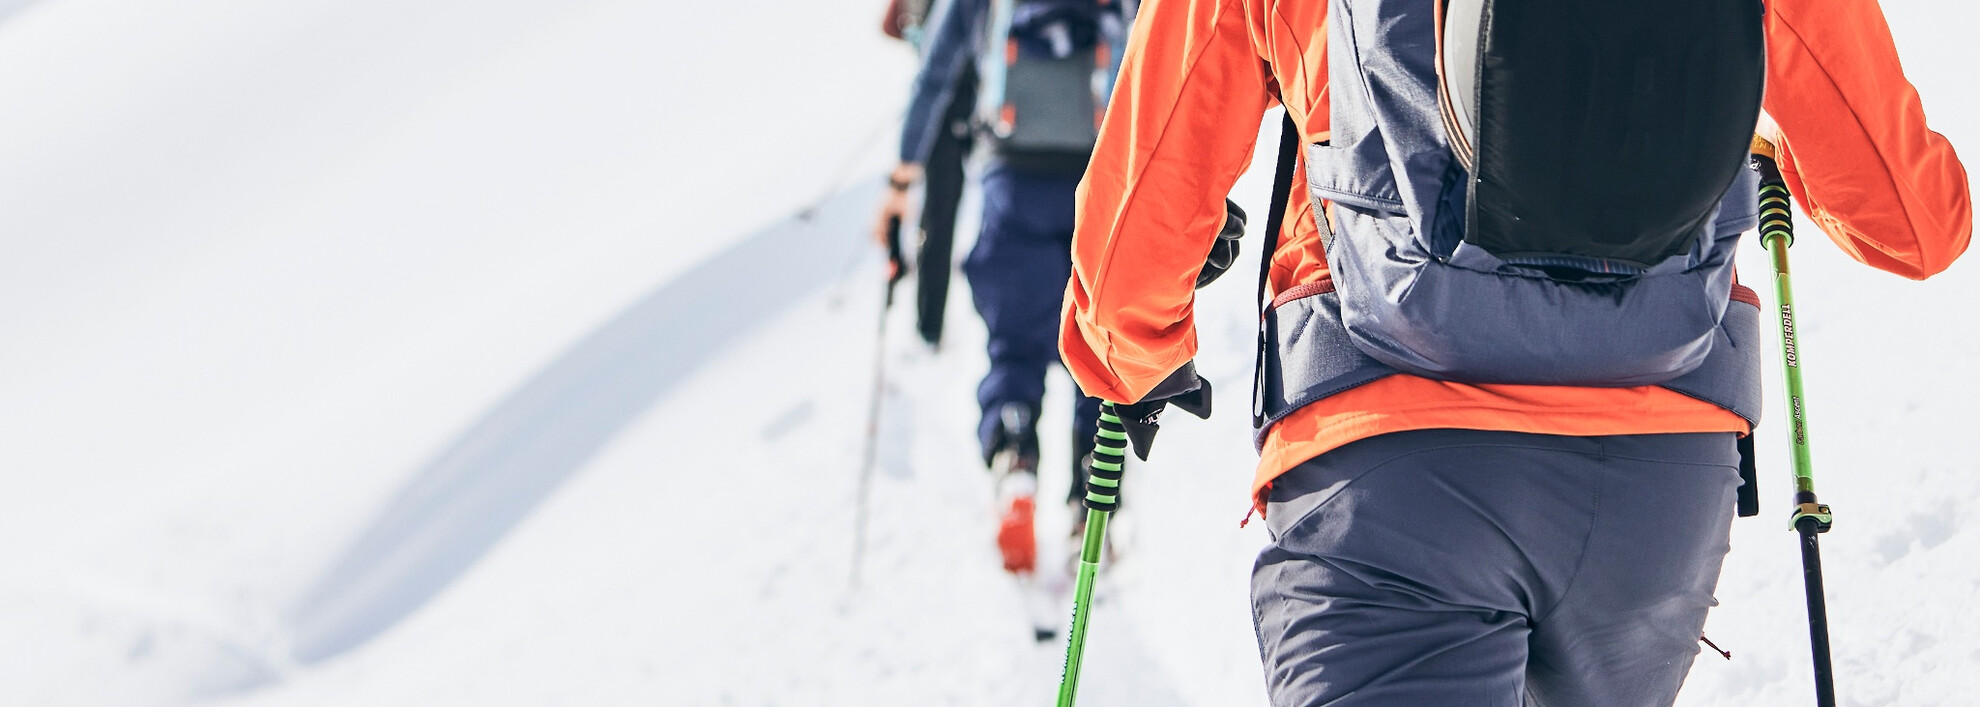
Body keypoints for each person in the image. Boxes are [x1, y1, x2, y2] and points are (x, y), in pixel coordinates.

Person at [1059, 0, 1969, 704]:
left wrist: (1130, 360)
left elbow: (1140, 214)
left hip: (1393, 478)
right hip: (1656, 491)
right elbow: (1917, 222)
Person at [875, 0, 1132, 577]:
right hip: (1100, 178)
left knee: (1013, 344)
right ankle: (1092, 500)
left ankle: (1015, 454)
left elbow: (937, 72)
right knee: (1095, 348)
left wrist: (903, 175)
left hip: (1012, 176)